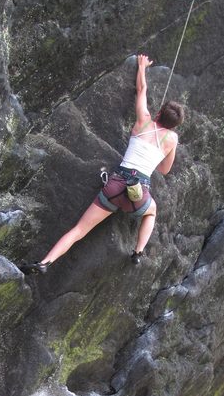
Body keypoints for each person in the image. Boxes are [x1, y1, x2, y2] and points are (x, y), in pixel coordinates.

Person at [20, 54, 184, 274]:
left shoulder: (144, 120)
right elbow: (164, 170)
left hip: (116, 185)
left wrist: (142, 66)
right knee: (151, 211)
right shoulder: (171, 139)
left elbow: (142, 89)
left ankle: (45, 263)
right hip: (138, 191)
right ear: (174, 126)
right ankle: (138, 252)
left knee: (79, 229)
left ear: (159, 112)